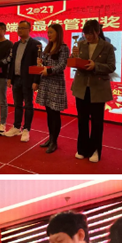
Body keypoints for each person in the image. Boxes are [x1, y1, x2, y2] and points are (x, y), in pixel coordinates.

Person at [71, 19, 116, 163]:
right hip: (81, 87)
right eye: (86, 34)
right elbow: (74, 62)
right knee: (82, 120)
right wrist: (73, 57)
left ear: (98, 31)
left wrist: (95, 66)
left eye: (91, 34)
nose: (88, 37)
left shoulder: (107, 46)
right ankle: (82, 149)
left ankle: (95, 150)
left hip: (98, 88)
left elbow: (111, 67)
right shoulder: (80, 44)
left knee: (97, 122)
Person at [4, 20, 41, 142]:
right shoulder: (15, 45)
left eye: (22, 28)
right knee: (17, 104)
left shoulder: (36, 44)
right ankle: (16, 127)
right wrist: (10, 77)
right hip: (16, 78)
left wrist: (36, 81)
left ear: (29, 29)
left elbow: (38, 64)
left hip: (28, 79)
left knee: (28, 105)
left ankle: (26, 129)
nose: (19, 30)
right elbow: (12, 62)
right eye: (18, 28)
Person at [36, 23, 69, 154]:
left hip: (56, 83)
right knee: (49, 113)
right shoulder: (48, 47)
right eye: (48, 32)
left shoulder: (63, 48)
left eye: (51, 32)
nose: (48, 35)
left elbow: (62, 66)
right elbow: (45, 63)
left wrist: (49, 71)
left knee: (55, 114)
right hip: (46, 82)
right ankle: (50, 138)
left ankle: (54, 141)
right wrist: (40, 63)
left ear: (58, 33)